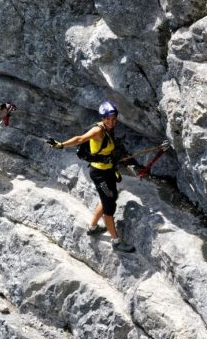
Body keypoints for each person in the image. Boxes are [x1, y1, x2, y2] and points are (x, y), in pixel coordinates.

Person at [46, 101, 143, 254]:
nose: (111, 122)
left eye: (113, 118)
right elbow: (79, 139)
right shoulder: (98, 131)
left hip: (108, 170)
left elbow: (108, 152)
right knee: (109, 206)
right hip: (100, 175)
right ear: (103, 118)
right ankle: (116, 242)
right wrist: (61, 145)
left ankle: (93, 227)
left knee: (110, 198)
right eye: (107, 119)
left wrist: (114, 168)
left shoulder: (109, 129)